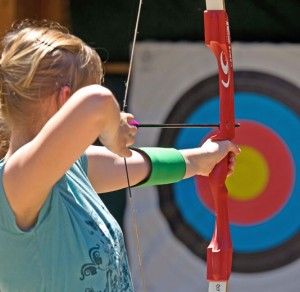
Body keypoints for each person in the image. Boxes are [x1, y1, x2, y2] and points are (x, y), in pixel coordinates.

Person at [0, 19, 240, 291]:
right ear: (65, 100)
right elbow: (97, 103)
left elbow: (138, 166)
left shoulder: (74, 167)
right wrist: (112, 131)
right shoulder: (15, 183)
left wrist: (202, 159)